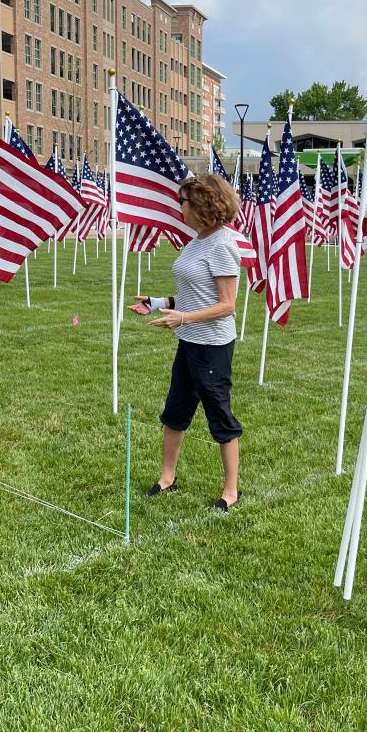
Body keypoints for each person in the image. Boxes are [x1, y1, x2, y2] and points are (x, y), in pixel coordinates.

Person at [130, 174, 242, 512]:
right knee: (175, 411)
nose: (179, 206)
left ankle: (231, 492)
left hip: (212, 346)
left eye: (183, 201)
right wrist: (157, 302)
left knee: (219, 415)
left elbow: (226, 304)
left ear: (202, 204)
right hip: (188, 340)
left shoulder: (223, 244)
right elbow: (195, 296)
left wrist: (182, 319)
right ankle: (167, 478)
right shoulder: (196, 242)